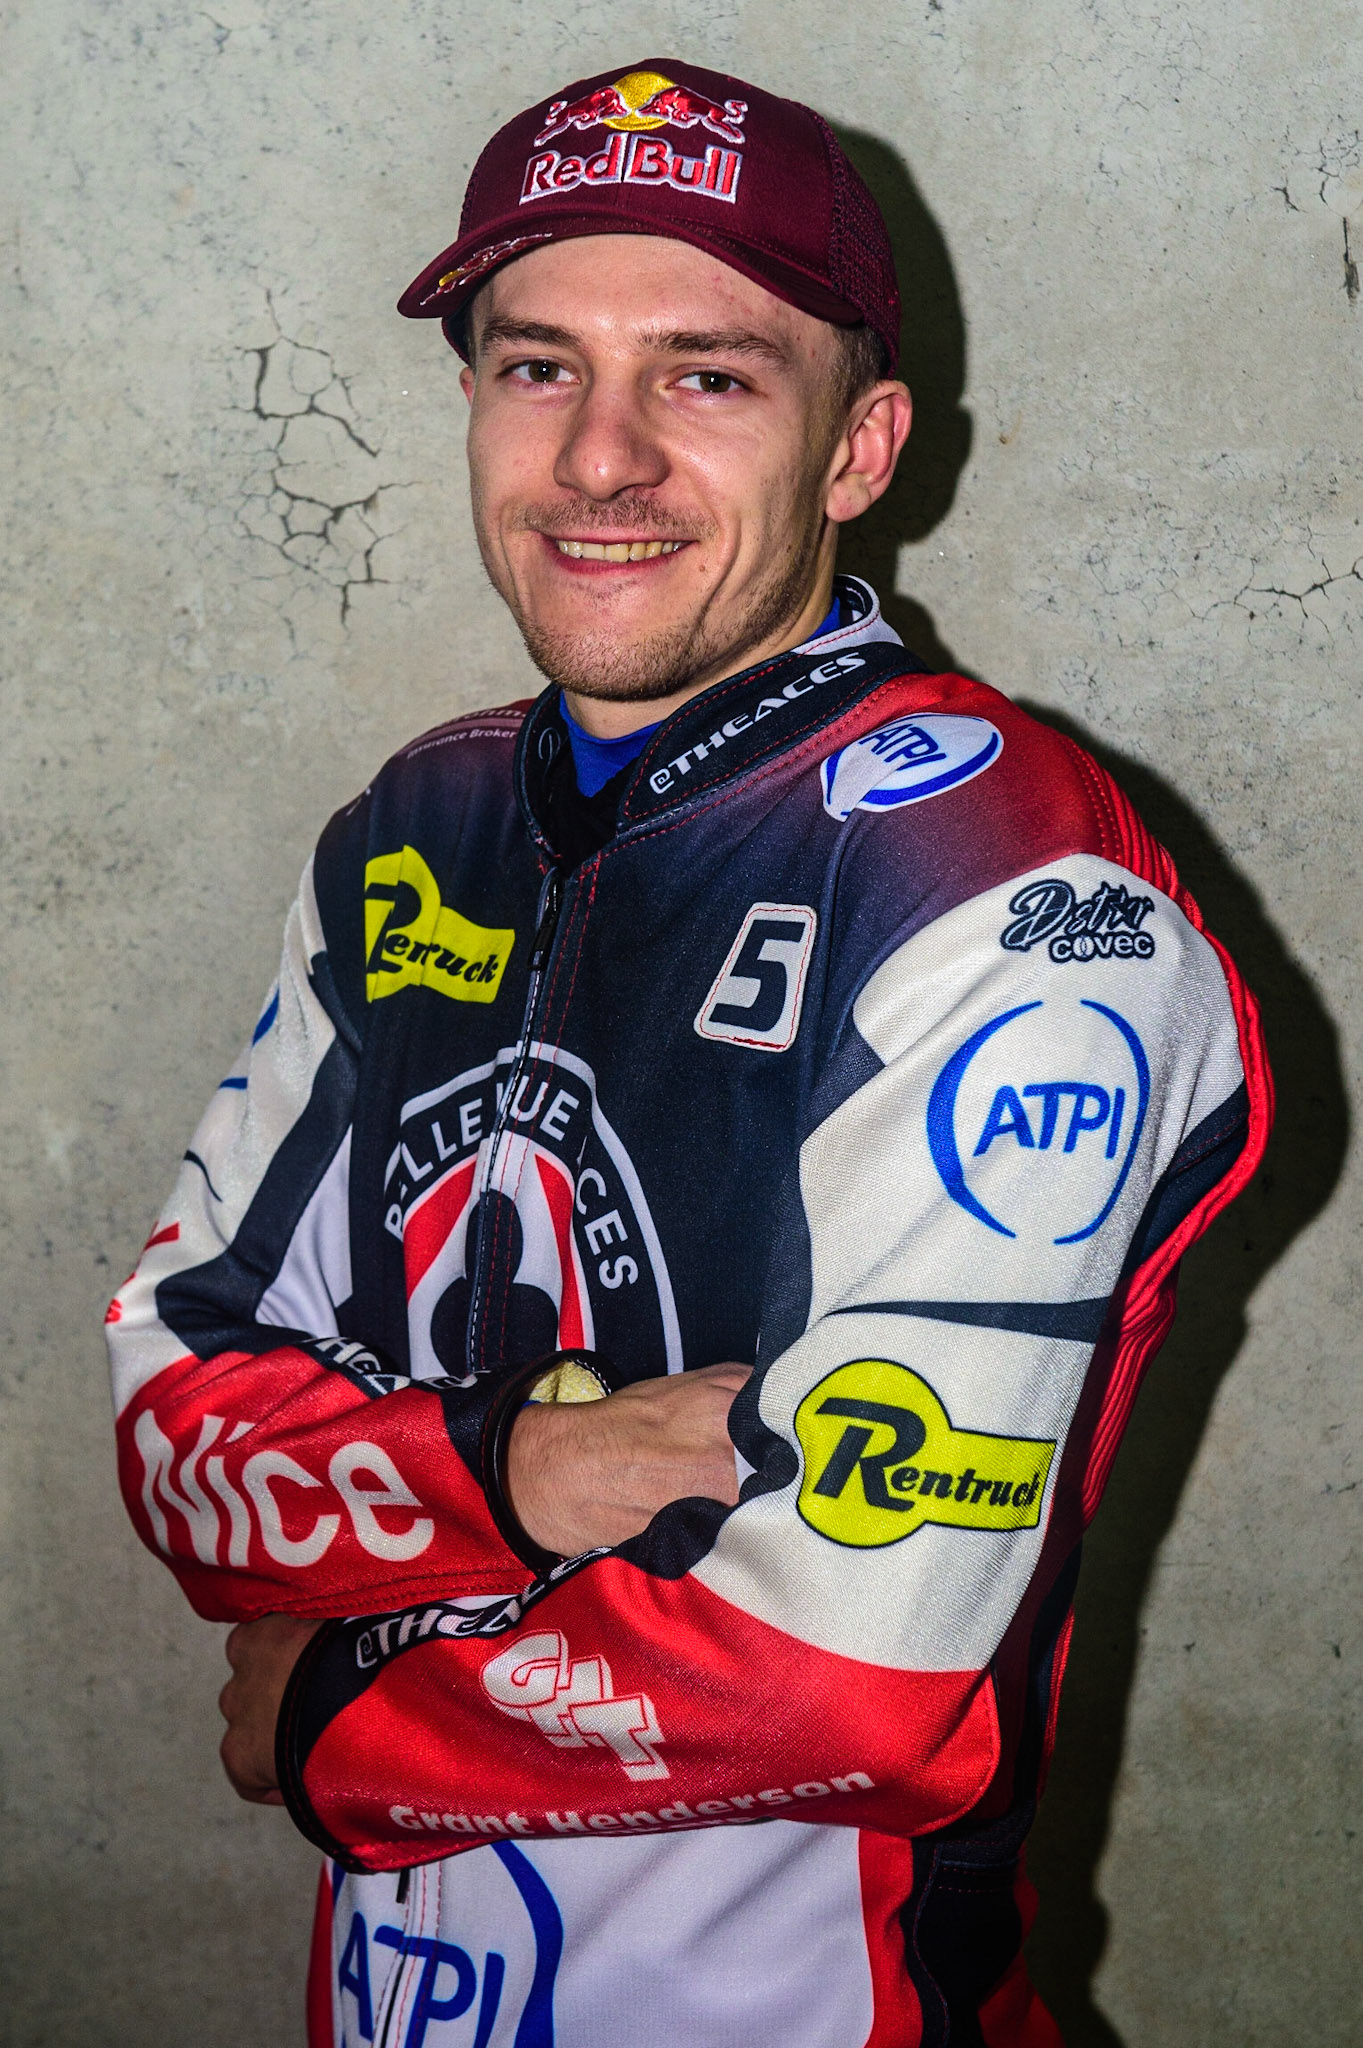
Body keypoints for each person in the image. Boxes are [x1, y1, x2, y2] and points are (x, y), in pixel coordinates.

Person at [107, 57, 1272, 2048]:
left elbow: (851, 1681)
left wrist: (337, 1722)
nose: (601, 458)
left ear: (858, 448)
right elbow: (168, 1423)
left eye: (708, 375)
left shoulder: (1012, 884)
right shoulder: (415, 829)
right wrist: (529, 1465)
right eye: (537, 366)